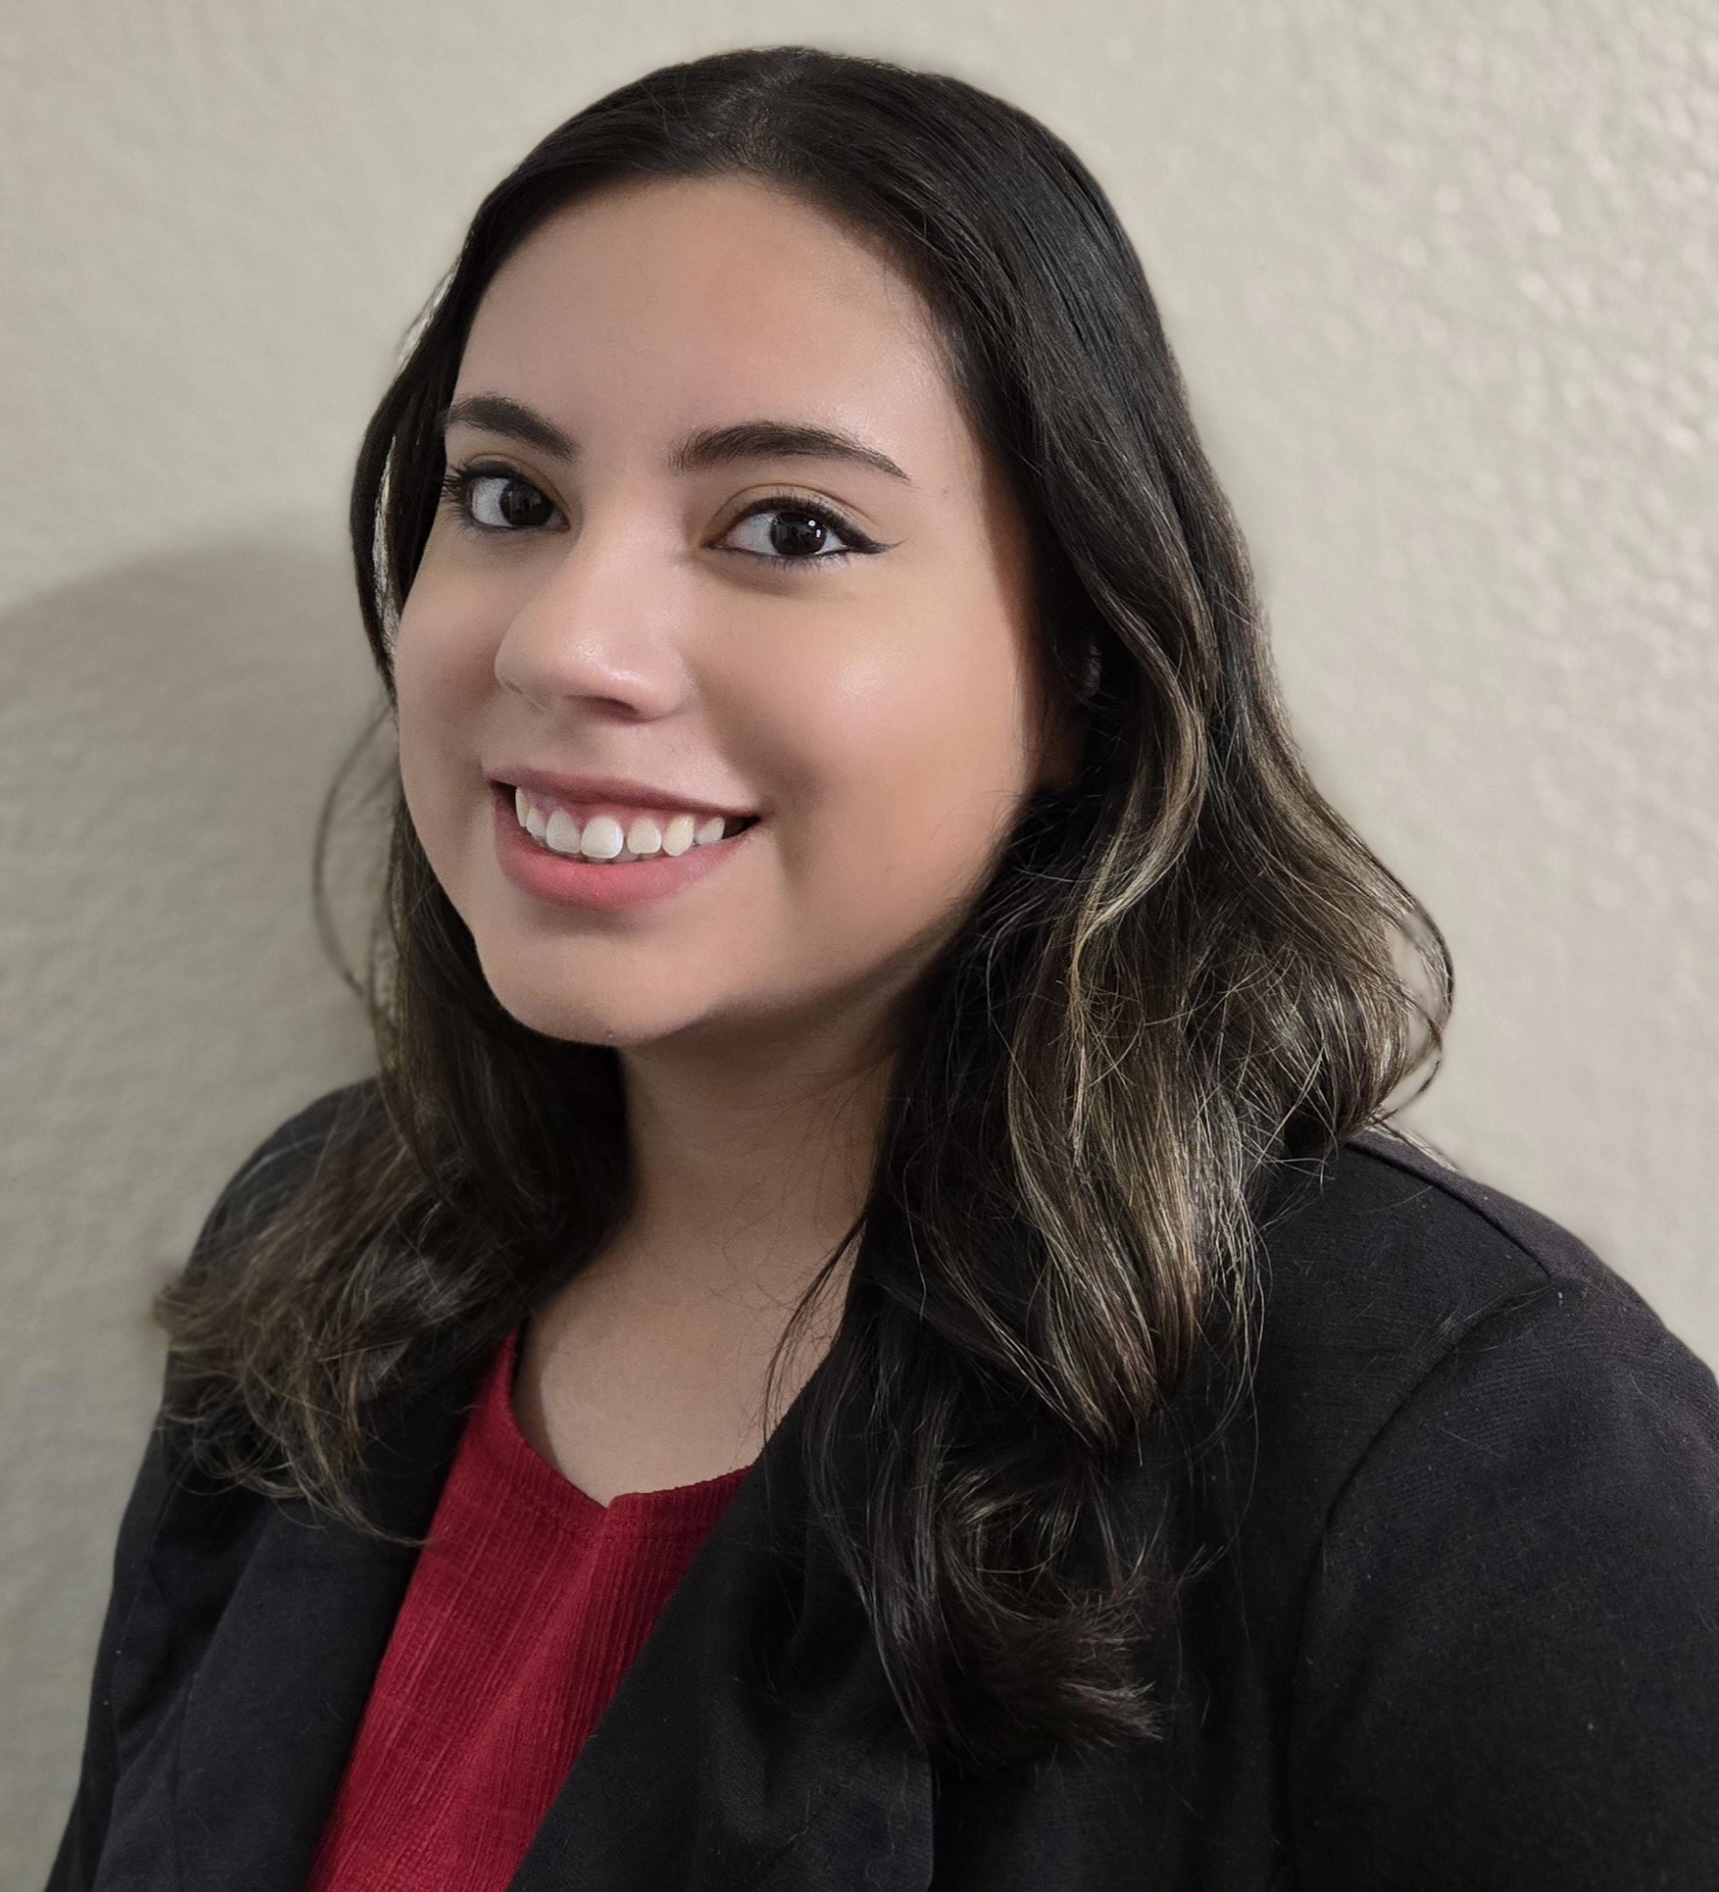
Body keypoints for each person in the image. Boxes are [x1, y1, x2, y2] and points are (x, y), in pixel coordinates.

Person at [48, 45, 1719, 1892]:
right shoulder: (319, 1260)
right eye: (508, 497)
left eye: (788, 529)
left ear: (1086, 666)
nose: (571, 642)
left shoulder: (1470, 1446)